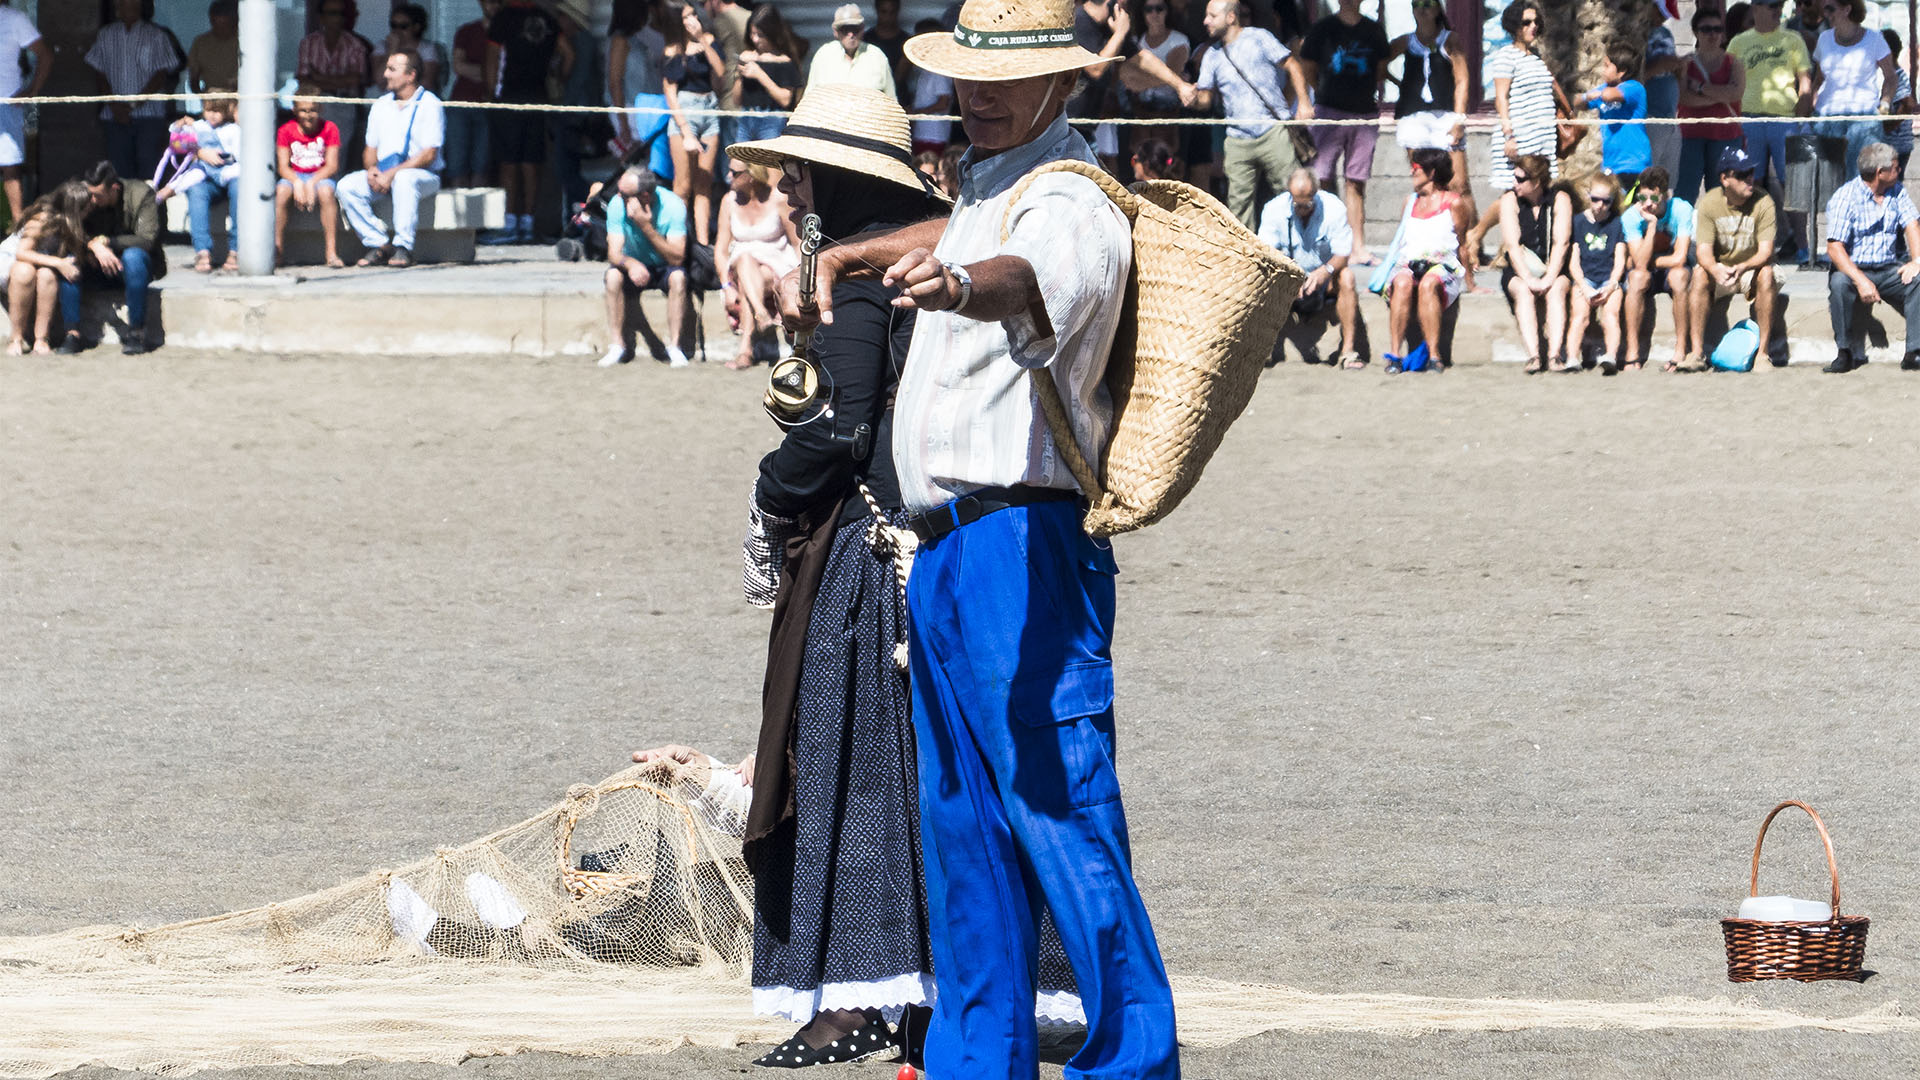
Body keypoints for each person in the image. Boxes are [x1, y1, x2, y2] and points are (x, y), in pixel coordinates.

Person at [787, 0, 1180, 1074]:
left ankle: (1134, 1064)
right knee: (967, 829)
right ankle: (975, 1060)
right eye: (968, 75)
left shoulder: (1074, 200)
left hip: (1022, 543)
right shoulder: (998, 186)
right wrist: (874, 254)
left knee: (1060, 815)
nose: (979, 92)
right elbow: (965, 236)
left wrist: (955, 286)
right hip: (956, 544)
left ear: (1063, 81)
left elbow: (1026, 275)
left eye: (1003, 77)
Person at [723, 84, 957, 1067]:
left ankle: (860, 1000)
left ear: (836, 180)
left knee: (855, 777)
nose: (788, 195)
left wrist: (774, 491)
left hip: (876, 561)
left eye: (799, 177)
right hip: (935, 545)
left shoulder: (863, 278)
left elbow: (846, 425)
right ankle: (925, 994)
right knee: (921, 784)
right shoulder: (913, 252)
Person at [1181, 0, 1312, 228]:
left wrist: (1304, 102)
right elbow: (1206, 101)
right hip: (1238, 138)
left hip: (1273, 131)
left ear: (1231, 17)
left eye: (1212, 16)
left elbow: (1292, 64)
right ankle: (1248, 260)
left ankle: (1297, 252)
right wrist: (1191, 96)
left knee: (1292, 194)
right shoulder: (1211, 55)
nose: (1205, 21)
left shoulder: (1259, 38)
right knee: (1239, 207)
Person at [1298, 0, 1388, 266]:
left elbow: (1381, 69)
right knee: (1321, 179)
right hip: (1329, 111)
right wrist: (1323, 93)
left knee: (1355, 182)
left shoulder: (1374, 30)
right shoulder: (1323, 28)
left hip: (1364, 112)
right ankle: (1320, 244)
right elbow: (1308, 67)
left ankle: (1357, 247)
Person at [338, 50, 445, 269]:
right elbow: (370, 149)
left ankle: (404, 246)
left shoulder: (430, 104)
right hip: (384, 173)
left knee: (404, 179)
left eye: (392, 69)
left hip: (422, 175)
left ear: (410, 75)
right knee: (346, 186)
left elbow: (428, 155)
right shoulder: (380, 105)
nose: (385, 74)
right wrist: (372, 171)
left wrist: (392, 174)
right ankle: (379, 244)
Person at [1822, 141, 1920, 373]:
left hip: (1889, 268)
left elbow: (1912, 225)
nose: (1899, 171)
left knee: (1918, 280)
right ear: (1880, 172)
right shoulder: (1845, 197)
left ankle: (1914, 351)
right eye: (1895, 168)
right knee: (1838, 284)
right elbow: (1835, 248)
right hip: (1855, 269)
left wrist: (1916, 262)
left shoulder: (1897, 192)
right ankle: (1844, 352)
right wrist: (1861, 280)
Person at [1472, 0, 1561, 253]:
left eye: (1535, 22)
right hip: (1520, 136)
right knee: (1512, 194)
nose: (1532, 27)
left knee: (1532, 194)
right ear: (1514, 26)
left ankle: (1509, 249)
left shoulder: (1536, 56)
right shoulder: (1505, 56)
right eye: (1526, 22)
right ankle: (1476, 233)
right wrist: (1509, 135)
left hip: (1541, 137)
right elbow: (1501, 97)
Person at [484, 0, 573, 244]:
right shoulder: (548, 19)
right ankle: (528, 224)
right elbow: (568, 54)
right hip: (538, 96)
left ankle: (509, 224)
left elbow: (493, 57)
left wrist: (491, 94)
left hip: (508, 97)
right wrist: (558, 78)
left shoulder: (503, 18)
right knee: (531, 162)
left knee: (508, 162)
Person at [1729, 0, 1812, 263]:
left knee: (1792, 184)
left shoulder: (1793, 38)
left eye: (1780, 5)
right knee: (1748, 184)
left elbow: (1805, 81)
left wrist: (1801, 117)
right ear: (1756, 8)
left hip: (1785, 119)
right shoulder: (1739, 42)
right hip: (1749, 119)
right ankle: (1752, 246)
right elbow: (1729, 80)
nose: (1777, 10)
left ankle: (1802, 247)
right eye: (1772, 5)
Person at [57, 161, 164, 356]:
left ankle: (136, 331)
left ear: (114, 188)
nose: (93, 200)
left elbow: (147, 239)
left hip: (130, 267)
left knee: (134, 257)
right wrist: (92, 246)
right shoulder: (88, 197)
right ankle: (72, 333)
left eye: (97, 195)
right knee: (70, 261)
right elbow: (70, 229)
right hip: (95, 264)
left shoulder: (141, 194)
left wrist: (108, 242)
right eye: (91, 195)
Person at [1689, 145, 1781, 368]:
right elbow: (1703, 252)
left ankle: (1763, 354)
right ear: (1724, 178)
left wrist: (1741, 267)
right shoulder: (1710, 203)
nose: (1749, 179)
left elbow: (1765, 252)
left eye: (1751, 172)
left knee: (1767, 274)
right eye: (1741, 175)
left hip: (1751, 268)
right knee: (1699, 274)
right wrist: (1715, 269)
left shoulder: (1764, 202)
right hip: (1721, 270)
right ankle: (1696, 353)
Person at [1259, 168, 1361, 368]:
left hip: (1324, 279)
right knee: (1260, 278)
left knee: (1347, 277)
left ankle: (1348, 351)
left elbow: (1343, 253)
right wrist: (1289, 277)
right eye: (1297, 204)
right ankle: (1265, 349)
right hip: (1288, 276)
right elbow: (1266, 253)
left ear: (1316, 194)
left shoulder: (1333, 208)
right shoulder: (1274, 209)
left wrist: (1325, 271)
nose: (1302, 209)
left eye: (1308, 203)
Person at [1381, 147, 1471, 373]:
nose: (1412, 173)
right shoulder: (1409, 202)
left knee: (1429, 283)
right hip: (1409, 263)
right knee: (1401, 283)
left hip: (1443, 264)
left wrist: (1471, 281)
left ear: (1431, 173)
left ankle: (1434, 355)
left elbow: (1462, 243)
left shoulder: (1454, 203)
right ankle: (1394, 354)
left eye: (1416, 169)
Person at [597, 164, 692, 367]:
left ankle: (675, 347)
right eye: (619, 192)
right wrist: (630, 264)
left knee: (679, 278)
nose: (619, 197)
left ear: (645, 196)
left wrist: (645, 227)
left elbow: (677, 258)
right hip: (633, 265)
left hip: (664, 265)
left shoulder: (673, 206)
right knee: (612, 276)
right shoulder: (616, 204)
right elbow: (613, 253)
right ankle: (617, 345)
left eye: (625, 195)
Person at [1811, 0, 1895, 213]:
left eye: (1831, 8)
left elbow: (1891, 78)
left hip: (1864, 117)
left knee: (1864, 180)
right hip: (1828, 117)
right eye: (1825, 8)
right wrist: (1808, 105)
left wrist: (1884, 104)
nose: (1826, 13)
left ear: (1847, 9)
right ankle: (1837, 240)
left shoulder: (1875, 39)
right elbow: (1819, 78)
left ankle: (1863, 238)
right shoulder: (1824, 38)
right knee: (1830, 185)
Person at [1387, 0, 1471, 210]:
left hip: (1446, 116)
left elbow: (1462, 80)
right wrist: (1402, 85)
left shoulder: (1449, 40)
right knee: (1423, 182)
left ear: (1437, 9)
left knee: (1458, 184)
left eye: (1428, 4)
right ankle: (1429, 232)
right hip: (1414, 117)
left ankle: (1469, 240)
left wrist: (1459, 119)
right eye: (1417, 4)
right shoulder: (1405, 42)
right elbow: (1379, 65)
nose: (1422, 9)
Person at [86, 0, 181, 182]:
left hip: (149, 115)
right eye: (123, 4)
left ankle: (148, 209)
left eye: (132, 4)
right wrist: (114, 105)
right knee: (119, 172)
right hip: (114, 116)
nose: (127, 8)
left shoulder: (156, 35)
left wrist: (132, 105)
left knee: (149, 169)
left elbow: (161, 74)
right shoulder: (106, 35)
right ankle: (124, 210)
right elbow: (99, 72)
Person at [713, 160, 795, 369]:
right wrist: (725, 285)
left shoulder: (778, 199)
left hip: (776, 265)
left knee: (748, 272)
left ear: (750, 176)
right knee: (745, 259)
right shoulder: (729, 201)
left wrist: (799, 279)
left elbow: (797, 242)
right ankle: (760, 312)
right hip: (742, 269)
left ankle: (745, 349)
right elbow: (721, 250)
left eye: (734, 172)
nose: (728, 176)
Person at [1498, 154, 1572, 374]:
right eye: (1514, 178)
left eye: (1520, 179)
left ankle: (1555, 355)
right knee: (1523, 291)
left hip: (1553, 267)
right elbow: (1512, 245)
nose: (1515, 184)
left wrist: (1549, 277)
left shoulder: (1560, 200)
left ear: (1536, 182)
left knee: (1557, 288)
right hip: (1520, 268)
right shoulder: (1509, 200)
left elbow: (1562, 242)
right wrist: (1529, 279)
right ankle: (1533, 355)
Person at [1620, 167, 1695, 371]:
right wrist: (1652, 227)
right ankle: (1632, 351)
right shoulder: (1631, 217)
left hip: (1670, 270)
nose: (1648, 204)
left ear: (1664, 196)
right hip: (1648, 270)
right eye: (1643, 197)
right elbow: (1639, 265)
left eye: (1654, 197)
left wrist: (1650, 261)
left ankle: (1681, 348)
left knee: (1679, 277)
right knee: (1636, 278)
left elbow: (1680, 258)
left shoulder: (1681, 209)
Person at [663, 3, 724, 246]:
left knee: (704, 183)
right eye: (686, 17)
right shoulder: (672, 50)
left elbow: (720, 74)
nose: (692, 20)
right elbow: (669, 93)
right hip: (684, 115)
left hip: (709, 111)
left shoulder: (708, 40)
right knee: (682, 186)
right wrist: (686, 132)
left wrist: (702, 39)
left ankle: (702, 245)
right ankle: (678, 243)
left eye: (693, 15)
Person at [5, 181, 89, 356]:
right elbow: (22, 253)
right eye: (86, 207)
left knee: (47, 275)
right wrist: (58, 262)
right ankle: (16, 338)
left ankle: (41, 338)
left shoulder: (70, 226)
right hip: (13, 261)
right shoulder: (41, 219)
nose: (90, 210)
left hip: (43, 265)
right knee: (25, 272)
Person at [1677, 9, 1746, 203]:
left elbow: (1736, 93)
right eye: (1706, 29)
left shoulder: (1734, 63)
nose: (1712, 34)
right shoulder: (1685, 63)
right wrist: (1719, 94)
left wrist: (1699, 87)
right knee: (1685, 192)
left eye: (1717, 29)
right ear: (1695, 32)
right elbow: (1683, 99)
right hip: (1690, 135)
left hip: (1726, 136)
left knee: (1723, 195)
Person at [1564, 175, 1627, 374]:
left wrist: (1612, 285)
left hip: (1609, 278)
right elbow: (1574, 261)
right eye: (1595, 199)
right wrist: (1583, 285)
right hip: (1585, 278)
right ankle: (1572, 358)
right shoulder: (1578, 222)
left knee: (1610, 315)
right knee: (1579, 316)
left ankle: (1611, 357)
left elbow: (1619, 260)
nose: (1600, 205)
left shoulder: (1616, 223)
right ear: (1588, 196)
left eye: (1605, 201)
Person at [297, 0, 373, 164]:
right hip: (315, 105)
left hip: (343, 103)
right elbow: (303, 79)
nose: (337, 19)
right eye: (332, 13)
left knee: (337, 156)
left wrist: (319, 79)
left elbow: (355, 79)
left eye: (341, 14)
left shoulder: (355, 45)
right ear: (321, 17)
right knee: (311, 154)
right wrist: (336, 81)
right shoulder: (308, 43)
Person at [276, 89, 345, 268]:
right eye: (303, 110)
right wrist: (298, 182)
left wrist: (312, 182)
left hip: (320, 174)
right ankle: (277, 251)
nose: (308, 115)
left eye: (313, 110)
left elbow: (332, 165)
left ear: (320, 108)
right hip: (295, 175)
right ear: (295, 110)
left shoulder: (330, 128)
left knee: (326, 191)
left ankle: (331, 252)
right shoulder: (286, 130)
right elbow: (283, 167)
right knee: (282, 191)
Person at [607, 0, 671, 181]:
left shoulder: (640, 37)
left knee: (649, 163)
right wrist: (623, 123)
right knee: (632, 164)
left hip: (645, 107)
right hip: (629, 108)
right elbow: (614, 81)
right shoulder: (621, 39)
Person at [552, 0, 606, 217]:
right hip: (578, 113)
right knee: (568, 169)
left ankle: (595, 202)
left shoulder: (580, 42)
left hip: (576, 115)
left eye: (563, 16)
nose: (560, 21)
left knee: (566, 170)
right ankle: (578, 215)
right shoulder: (583, 41)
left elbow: (578, 81)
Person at [0, 0, 50, 225]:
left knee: (10, 167)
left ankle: (18, 229)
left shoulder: (14, 18)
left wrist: (31, 91)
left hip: (6, 103)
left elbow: (45, 55)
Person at [182, 92, 243, 272]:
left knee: (240, 189)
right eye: (209, 110)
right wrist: (199, 152)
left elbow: (239, 157)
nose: (213, 114)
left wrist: (222, 158)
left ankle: (236, 249)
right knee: (196, 190)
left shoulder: (233, 130)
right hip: (206, 179)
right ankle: (202, 250)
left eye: (218, 111)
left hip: (229, 176)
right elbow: (178, 145)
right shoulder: (197, 127)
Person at [1579, 42, 1652, 192]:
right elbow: (1579, 102)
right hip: (1611, 165)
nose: (1603, 70)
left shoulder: (1634, 88)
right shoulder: (1604, 89)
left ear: (1622, 71)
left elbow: (1608, 95)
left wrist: (1596, 94)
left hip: (1633, 164)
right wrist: (1586, 97)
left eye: (1607, 66)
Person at [445, 0, 499, 189]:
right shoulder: (467, 31)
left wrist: (481, 72)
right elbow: (458, 66)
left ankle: (477, 217)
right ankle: (455, 218)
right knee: (456, 164)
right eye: (489, 2)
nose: (493, 6)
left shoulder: (507, 32)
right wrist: (490, 73)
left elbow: (507, 70)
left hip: (489, 105)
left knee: (481, 166)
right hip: (460, 104)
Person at [735, 4, 804, 145]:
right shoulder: (748, 57)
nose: (755, 39)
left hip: (772, 120)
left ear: (771, 33)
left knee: (771, 164)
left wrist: (760, 75)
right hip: (746, 117)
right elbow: (736, 100)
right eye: (752, 34)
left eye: (760, 35)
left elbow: (785, 100)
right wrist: (739, 75)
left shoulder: (784, 62)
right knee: (736, 164)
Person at [807, 5, 896, 96]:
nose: (851, 35)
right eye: (845, 29)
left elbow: (891, 98)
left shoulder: (877, 56)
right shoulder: (823, 56)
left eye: (855, 29)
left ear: (862, 29)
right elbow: (809, 97)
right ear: (835, 31)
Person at [1644, 19, 1685, 181]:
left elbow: (1673, 70)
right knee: (1647, 178)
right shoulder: (1637, 32)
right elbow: (1631, 79)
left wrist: (1679, 68)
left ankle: (1664, 206)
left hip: (1671, 119)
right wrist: (1658, 67)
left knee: (1667, 181)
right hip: (1649, 118)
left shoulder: (1666, 32)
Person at [374, 3, 444, 95]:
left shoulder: (427, 49)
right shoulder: (381, 48)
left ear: (416, 27)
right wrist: (392, 51)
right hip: (389, 102)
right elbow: (379, 81)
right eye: (393, 25)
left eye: (403, 26)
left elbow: (427, 83)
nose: (397, 30)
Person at [1880, 29, 1916, 174]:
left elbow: (1908, 104)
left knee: (1890, 187)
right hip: (1892, 145)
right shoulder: (1885, 75)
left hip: (1896, 146)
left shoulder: (1897, 76)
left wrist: (1889, 125)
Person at [186, 0, 238, 94]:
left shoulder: (244, 43)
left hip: (240, 100)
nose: (221, 30)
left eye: (225, 25)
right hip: (211, 99)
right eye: (217, 25)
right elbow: (194, 76)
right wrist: (202, 96)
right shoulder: (201, 43)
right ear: (211, 21)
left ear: (233, 22)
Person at [867, 0, 912, 95]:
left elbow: (899, 78)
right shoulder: (866, 39)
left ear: (898, 11)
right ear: (877, 10)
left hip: (898, 97)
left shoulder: (907, 42)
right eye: (884, 12)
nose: (888, 17)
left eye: (892, 12)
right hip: (871, 95)